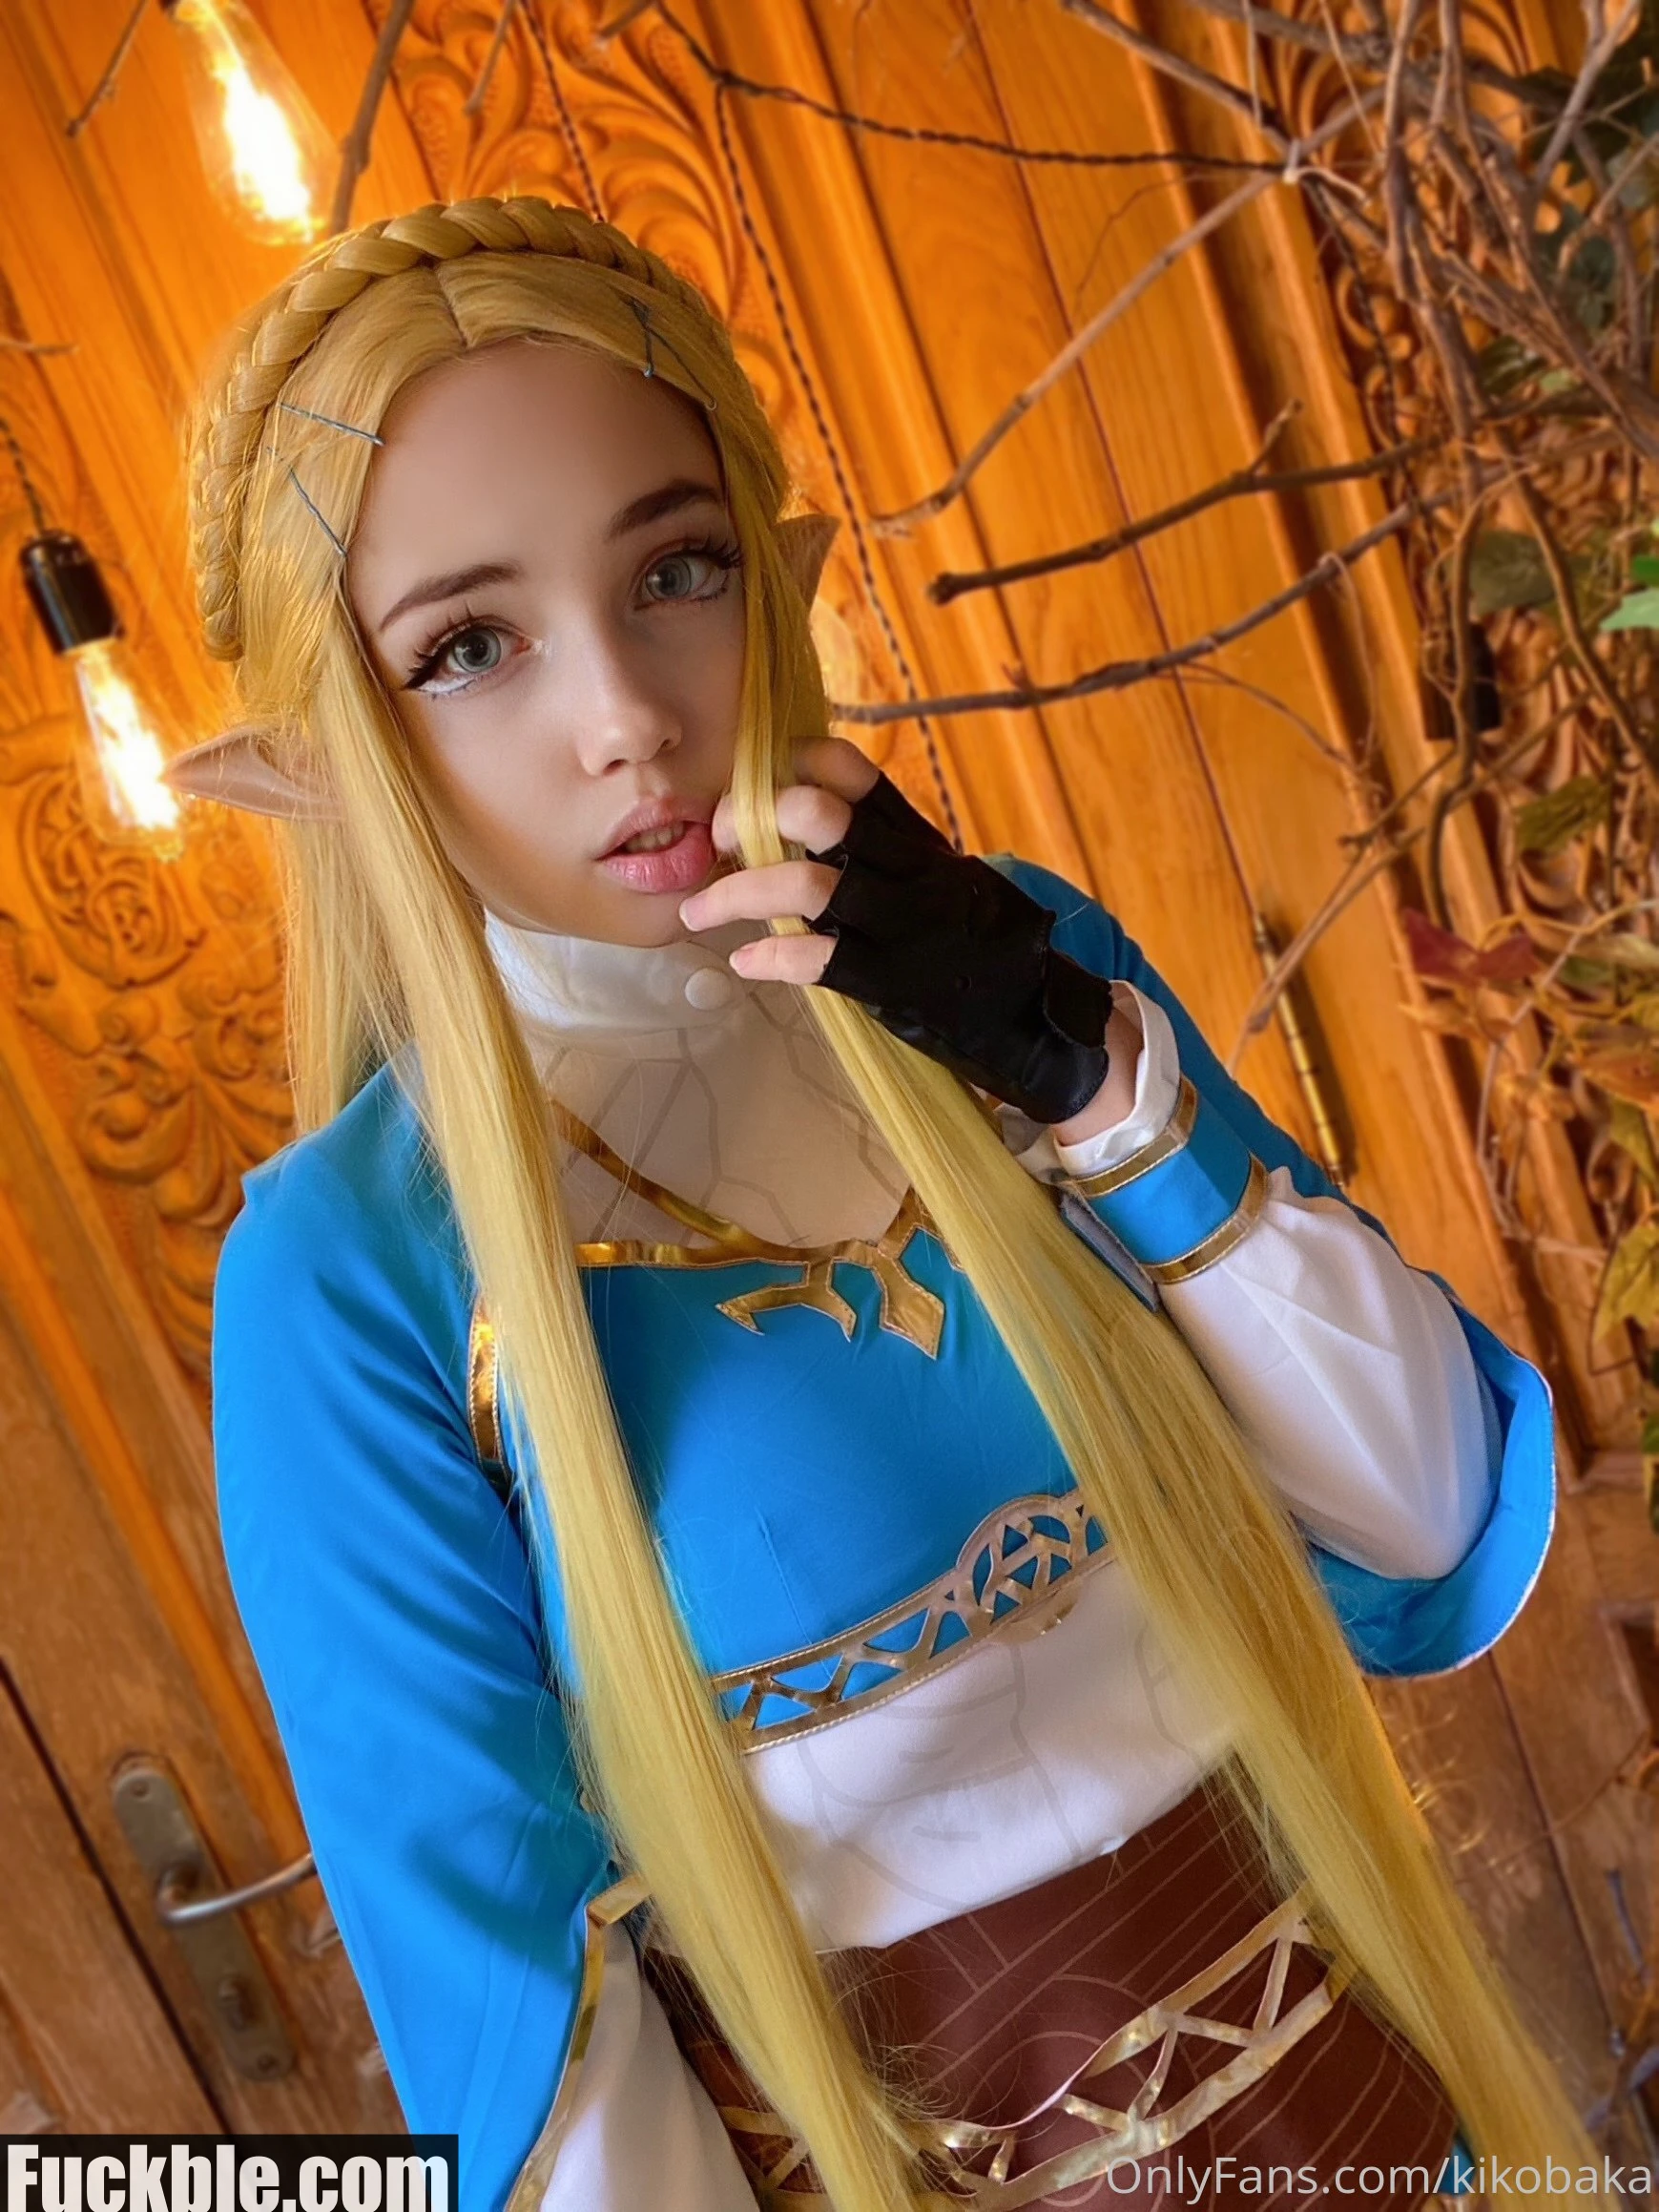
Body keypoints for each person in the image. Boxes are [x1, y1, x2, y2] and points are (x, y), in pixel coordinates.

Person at [171, 194, 1598, 2212]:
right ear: (323, 756)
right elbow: (538, 2045)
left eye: (674, 570)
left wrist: (1078, 1075)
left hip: (1381, 2122)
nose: (624, 715)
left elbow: (1427, 1529)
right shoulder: (355, 1277)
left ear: (779, 577)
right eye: (468, 647)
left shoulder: (1005, 970)